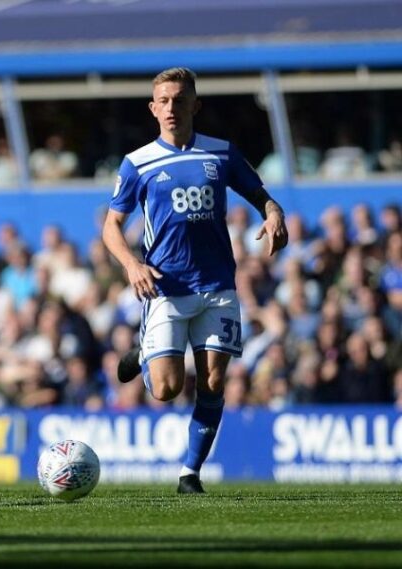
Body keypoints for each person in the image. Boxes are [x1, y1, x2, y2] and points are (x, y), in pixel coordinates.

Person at [102, 68, 287, 494]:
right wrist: (131, 265)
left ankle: (190, 473)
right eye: (164, 101)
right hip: (166, 288)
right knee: (167, 389)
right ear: (153, 108)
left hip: (218, 285)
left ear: (195, 105)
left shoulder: (221, 153)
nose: (172, 108)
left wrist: (274, 213)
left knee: (214, 382)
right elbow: (111, 226)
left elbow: (261, 195)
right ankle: (144, 353)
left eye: (180, 100)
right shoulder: (138, 163)